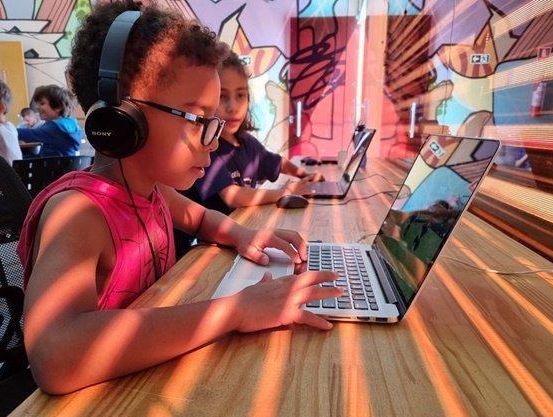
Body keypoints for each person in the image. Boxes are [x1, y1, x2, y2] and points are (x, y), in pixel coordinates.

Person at [17, 0, 341, 396]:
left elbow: (201, 218)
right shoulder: (79, 212)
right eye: (199, 121)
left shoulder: (152, 192)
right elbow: (54, 357)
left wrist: (241, 234)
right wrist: (236, 310)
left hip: (149, 384)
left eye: (215, 123)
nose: (215, 138)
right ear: (122, 120)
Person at [182, 51, 324, 216]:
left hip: (242, 228)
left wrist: (305, 175)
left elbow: (278, 162)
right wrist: (282, 193)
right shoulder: (206, 148)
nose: (233, 107)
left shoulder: (246, 142)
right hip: (213, 239)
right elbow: (232, 196)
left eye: (240, 95)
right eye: (222, 96)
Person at [17, 84, 82, 157]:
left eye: (42, 103)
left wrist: (8, 130)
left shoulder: (56, 128)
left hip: (55, 166)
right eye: (37, 103)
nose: (37, 107)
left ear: (58, 107)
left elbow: (32, 134)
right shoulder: (69, 125)